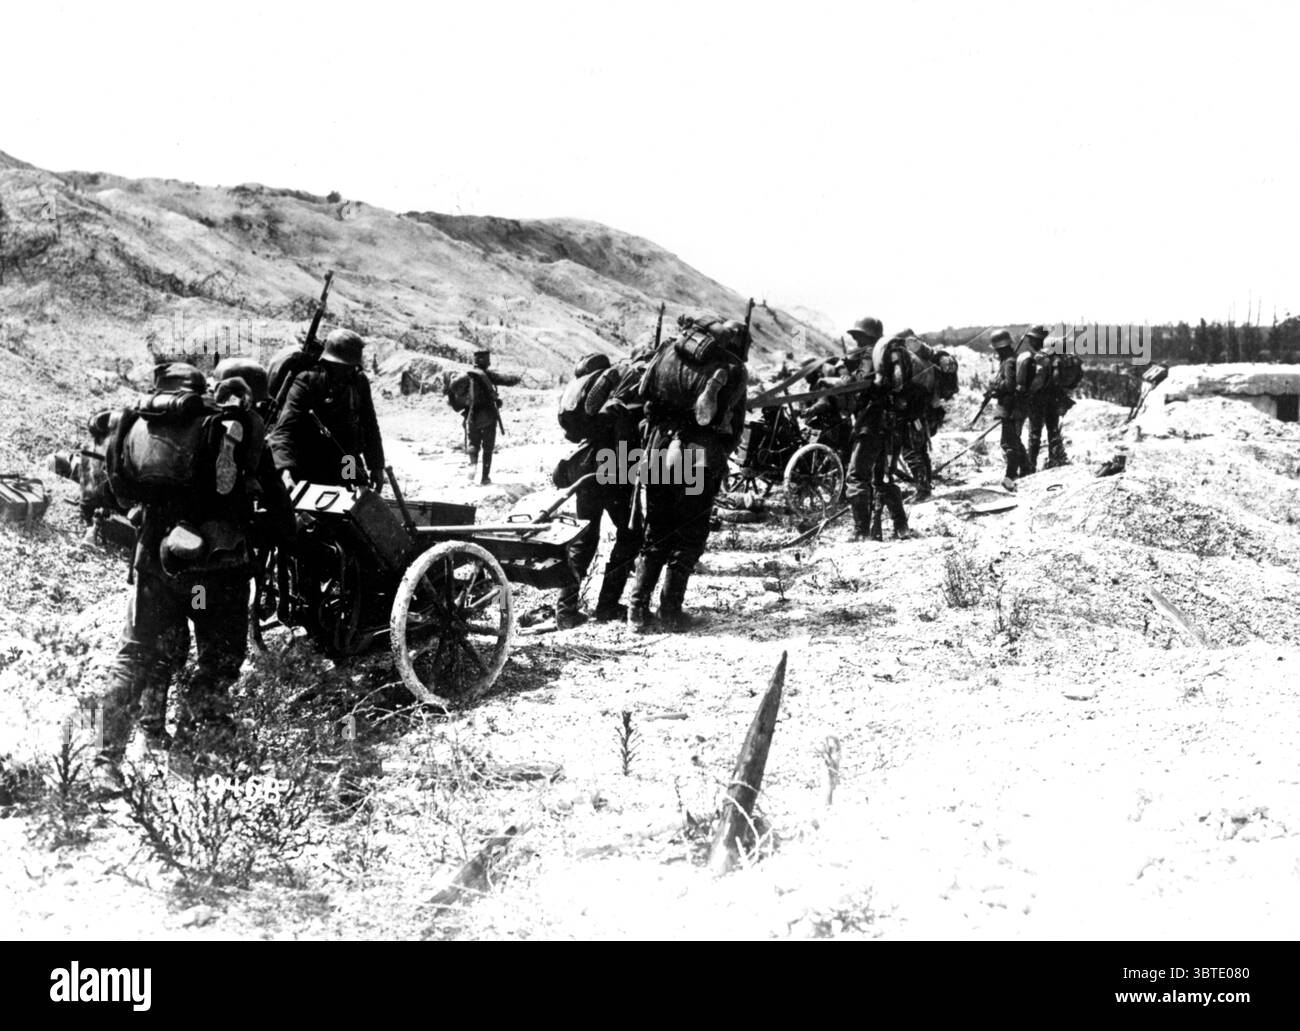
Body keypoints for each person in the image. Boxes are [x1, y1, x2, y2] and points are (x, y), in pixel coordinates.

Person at [91, 362, 296, 791]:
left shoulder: (133, 423)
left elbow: (114, 493)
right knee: (217, 661)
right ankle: (189, 757)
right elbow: (275, 501)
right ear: (202, 388)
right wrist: (281, 536)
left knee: (135, 656)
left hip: (156, 565)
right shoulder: (230, 425)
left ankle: (103, 762)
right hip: (213, 572)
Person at [628, 317, 749, 632]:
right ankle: (670, 611)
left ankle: (636, 611)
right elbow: (730, 424)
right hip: (697, 457)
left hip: (657, 451)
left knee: (656, 534)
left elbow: (643, 394)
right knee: (690, 534)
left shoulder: (667, 350)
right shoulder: (732, 368)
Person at [555, 353, 646, 628]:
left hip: (585, 464)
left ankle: (565, 610)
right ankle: (607, 606)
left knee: (585, 538)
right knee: (631, 535)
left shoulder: (583, 397)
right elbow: (624, 438)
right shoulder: (622, 395)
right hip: (612, 468)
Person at [268, 329, 386, 492]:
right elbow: (283, 431)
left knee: (356, 500)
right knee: (310, 507)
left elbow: (369, 425)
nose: (344, 372)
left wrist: (377, 466)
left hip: (347, 459)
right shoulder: (308, 380)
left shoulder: (358, 381)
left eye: (349, 367)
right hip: (310, 461)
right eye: (339, 367)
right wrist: (285, 471)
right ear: (327, 362)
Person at [840, 316, 887, 539]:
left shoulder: (870, 356)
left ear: (868, 337)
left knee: (857, 476)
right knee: (878, 478)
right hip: (882, 423)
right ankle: (894, 526)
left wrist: (845, 374)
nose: (856, 342)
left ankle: (861, 532)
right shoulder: (881, 357)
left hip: (870, 423)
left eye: (859, 338)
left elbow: (860, 381)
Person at [459, 349, 520, 485]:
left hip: (470, 416)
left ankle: (472, 466)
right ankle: (485, 478)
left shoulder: (467, 376)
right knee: (488, 447)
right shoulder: (487, 375)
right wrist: (517, 378)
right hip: (487, 416)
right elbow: (505, 380)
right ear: (487, 361)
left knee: (473, 443)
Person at [1025, 330, 1072, 471]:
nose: (1029, 342)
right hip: (1054, 399)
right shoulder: (1056, 356)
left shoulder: (1040, 357)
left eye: (1031, 339)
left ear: (1036, 340)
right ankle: (1055, 460)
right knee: (1053, 430)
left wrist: (1027, 392)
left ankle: (1031, 465)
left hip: (1039, 399)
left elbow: (1037, 381)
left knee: (1034, 434)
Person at [988, 329, 1029, 490]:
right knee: (1013, 440)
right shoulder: (1010, 360)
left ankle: (1010, 476)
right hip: (1012, 406)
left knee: (1008, 443)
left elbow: (1010, 385)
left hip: (1010, 406)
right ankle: (1026, 468)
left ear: (999, 348)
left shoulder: (1009, 362)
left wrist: (996, 388)